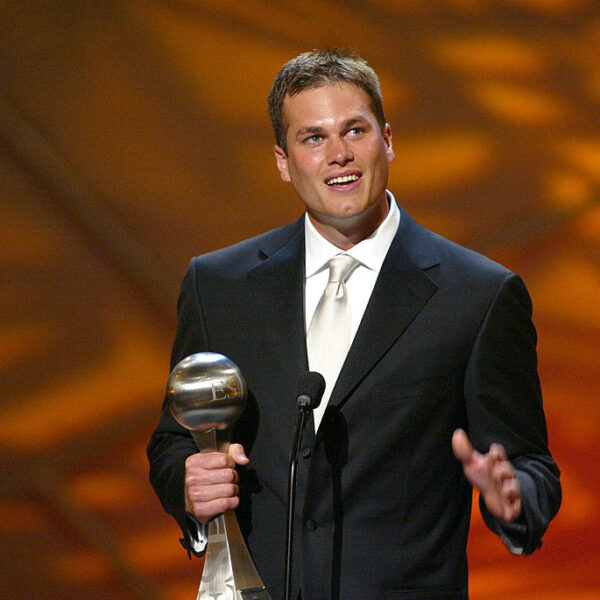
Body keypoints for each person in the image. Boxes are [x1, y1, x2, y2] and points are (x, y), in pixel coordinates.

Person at [148, 50, 561, 600]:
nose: (338, 155)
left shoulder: (477, 295)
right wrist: (189, 487)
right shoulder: (219, 285)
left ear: (387, 140)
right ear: (282, 158)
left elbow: (531, 464)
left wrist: (513, 497)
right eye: (313, 138)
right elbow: (174, 439)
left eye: (355, 131)